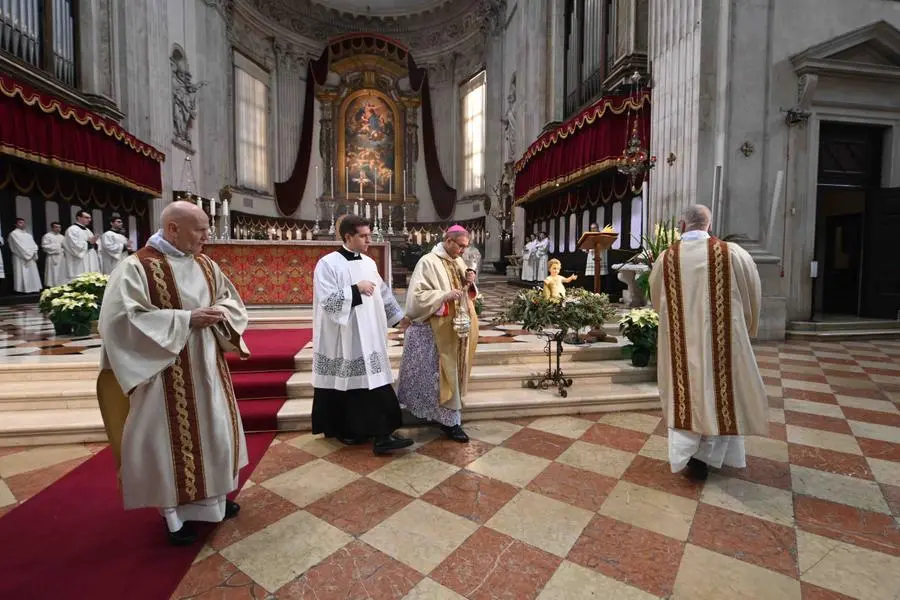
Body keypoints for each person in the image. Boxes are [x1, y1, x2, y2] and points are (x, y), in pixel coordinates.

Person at [97, 200, 250, 546]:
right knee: (169, 444)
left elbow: (231, 301)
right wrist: (185, 320)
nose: (207, 236)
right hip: (164, 373)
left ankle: (214, 502)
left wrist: (220, 313)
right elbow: (120, 321)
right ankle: (175, 518)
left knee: (215, 432)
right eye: (200, 229)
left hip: (209, 368)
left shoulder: (206, 264)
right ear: (172, 229)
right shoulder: (136, 268)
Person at [650, 204, 768, 481]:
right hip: (724, 343)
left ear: (681, 226)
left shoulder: (666, 258)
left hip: (680, 345)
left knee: (686, 394)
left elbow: (657, 300)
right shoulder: (733, 254)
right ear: (709, 225)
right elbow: (753, 291)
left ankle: (689, 456)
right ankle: (712, 455)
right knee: (720, 393)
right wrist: (747, 326)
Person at [311, 215, 414, 454]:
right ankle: (350, 431)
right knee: (350, 382)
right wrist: (355, 290)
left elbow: (384, 293)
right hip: (343, 336)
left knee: (374, 380)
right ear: (348, 236)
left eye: (369, 235)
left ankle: (380, 433)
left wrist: (398, 318)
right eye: (363, 236)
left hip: (369, 332)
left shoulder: (369, 262)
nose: (369, 239)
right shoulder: (328, 264)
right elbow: (327, 302)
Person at [398, 225, 478, 442]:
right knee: (437, 373)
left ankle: (449, 419)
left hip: (457, 327)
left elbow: (464, 291)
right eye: (460, 246)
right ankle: (446, 420)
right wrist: (443, 296)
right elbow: (416, 297)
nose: (463, 251)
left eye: (465, 247)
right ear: (448, 240)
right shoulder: (428, 262)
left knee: (452, 371)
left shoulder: (458, 261)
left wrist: (469, 282)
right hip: (436, 328)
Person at [63, 210, 100, 280]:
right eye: (86, 217)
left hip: (90, 257)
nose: (89, 220)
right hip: (79, 261)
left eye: (90, 218)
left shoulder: (88, 230)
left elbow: (92, 243)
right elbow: (73, 245)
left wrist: (94, 243)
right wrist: (89, 243)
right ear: (78, 217)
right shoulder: (72, 229)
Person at [8, 218, 42, 293]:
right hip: (20, 257)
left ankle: (33, 288)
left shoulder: (28, 235)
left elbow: (34, 245)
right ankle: (21, 290)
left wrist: (34, 251)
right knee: (21, 273)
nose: (22, 224)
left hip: (31, 257)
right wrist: (28, 254)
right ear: (16, 224)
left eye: (23, 222)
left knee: (32, 273)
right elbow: (18, 246)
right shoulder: (14, 234)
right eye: (20, 223)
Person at [41, 222, 66, 288]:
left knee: (61, 271)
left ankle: (61, 284)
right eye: (56, 227)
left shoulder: (62, 237)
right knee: (52, 272)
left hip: (61, 257)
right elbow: (44, 246)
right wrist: (57, 247)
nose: (58, 229)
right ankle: (52, 285)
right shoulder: (47, 236)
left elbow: (65, 246)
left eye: (59, 227)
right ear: (52, 228)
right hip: (52, 256)